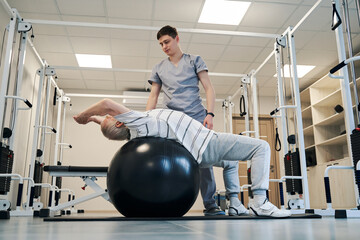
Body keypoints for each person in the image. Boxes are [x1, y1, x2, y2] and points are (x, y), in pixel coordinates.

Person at [73, 98, 292, 218]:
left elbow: (107, 118)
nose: (113, 115)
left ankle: (235, 203)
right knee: (261, 147)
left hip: (197, 151)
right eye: (113, 117)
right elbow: (106, 103)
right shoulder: (138, 121)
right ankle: (260, 202)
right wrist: (84, 115)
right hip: (207, 142)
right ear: (121, 122)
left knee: (229, 161)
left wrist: (94, 119)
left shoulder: (135, 132)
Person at [145, 25, 239, 216]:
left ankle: (210, 205)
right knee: (169, 161)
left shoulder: (194, 60)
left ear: (177, 39)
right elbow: (153, 96)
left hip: (197, 117)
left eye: (167, 41)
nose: (164, 46)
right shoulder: (159, 68)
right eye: (161, 44)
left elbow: (209, 88)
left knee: (204, 162)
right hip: (172, 120)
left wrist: (210, 114)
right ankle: (166, 202)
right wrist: (147, 119)